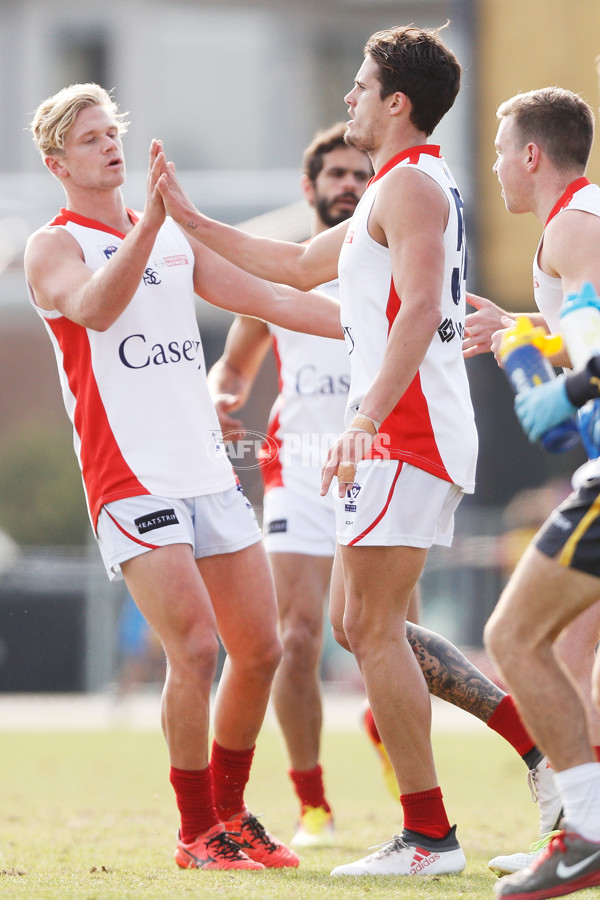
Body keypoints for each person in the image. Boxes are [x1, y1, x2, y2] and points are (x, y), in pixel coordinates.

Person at [157, 24, 479, 877]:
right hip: (408, 433)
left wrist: (366, 418)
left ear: (396, 101)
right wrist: (190, 221)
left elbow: (414, 312)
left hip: (405, 434)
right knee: (356, 626)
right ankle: (434, 821)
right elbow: (297, 265)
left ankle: (429, 835)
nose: (351, 98)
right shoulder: (402, 185)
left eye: (362, 86)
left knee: (370, 629)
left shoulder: (410, 188)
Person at [24, 83, 343, 873]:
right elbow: (96, 309)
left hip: (207, 472)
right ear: (57, 158)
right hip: (130, 479)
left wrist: (416, 324)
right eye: (91, 137)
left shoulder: (163, 237)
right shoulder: (54, 245)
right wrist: (157, 225)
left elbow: (272, 296)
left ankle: (231, 818)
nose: (110, 145)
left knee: (261, 650)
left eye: (113, 132)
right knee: (196, 649)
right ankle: (194, 829)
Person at [207, 122, 373, 847]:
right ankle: (313, 805)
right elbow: (234, 368)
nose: (349, 186)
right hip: (297, 467)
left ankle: (400, 763)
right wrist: (221, 398)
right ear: (309, 188)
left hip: (381, 463)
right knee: (297, 637)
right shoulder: (279, 276)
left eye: (360, 176)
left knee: (386, 640)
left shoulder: (394, 263)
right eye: (336, 175)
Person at [467, 87, 600, 899]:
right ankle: (577, 830)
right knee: (562, 652)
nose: (492, 165)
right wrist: (530, 335)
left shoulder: (572, 226)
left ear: (530, 156)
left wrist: (566, 387)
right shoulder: (575, 228)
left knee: (514, 638)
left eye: (497, 148)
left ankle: (584, 836)